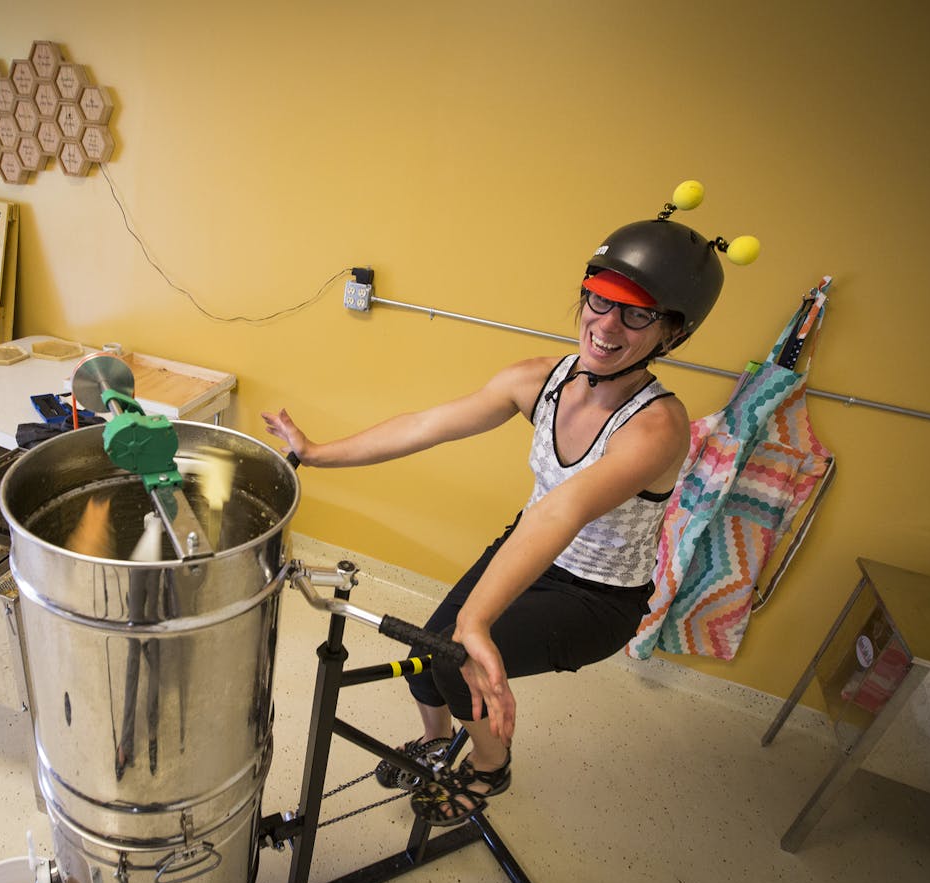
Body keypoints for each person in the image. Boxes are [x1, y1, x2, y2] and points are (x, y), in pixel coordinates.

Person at [262, 202, 735, 826]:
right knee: (428, 662)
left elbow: (565, 510)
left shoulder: (657, 427)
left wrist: (477, 624)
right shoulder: (538, 378)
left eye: (637, 314)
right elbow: (427, 425)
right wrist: (318, 453)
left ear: (672, 334)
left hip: (596, 595)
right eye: (599, 299)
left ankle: (490, 770)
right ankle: (435, 743)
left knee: (459, 666)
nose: (607, 325)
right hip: (529, 546)